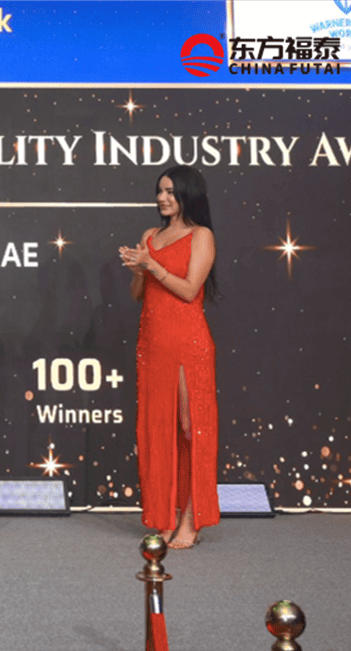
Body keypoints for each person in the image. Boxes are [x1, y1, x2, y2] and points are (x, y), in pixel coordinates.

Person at [118, 165, 219, 549]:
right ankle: (164, 516)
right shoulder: (150, 236)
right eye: (160, 191)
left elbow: (190, 290)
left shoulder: (201, 235)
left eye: (171, 192)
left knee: (190, 427)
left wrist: (152, 266)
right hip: (152, 344)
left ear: (188, 195)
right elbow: (138, 294)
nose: (162, 198)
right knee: (158, 429)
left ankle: (192, 518)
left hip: (187, 344)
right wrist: (137, 269)